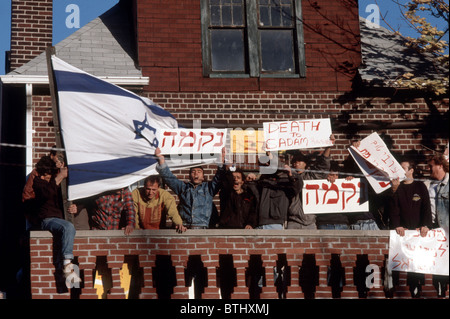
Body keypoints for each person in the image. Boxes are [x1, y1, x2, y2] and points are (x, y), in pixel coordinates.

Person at [32, 155, 81, 287]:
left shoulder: (56, 183)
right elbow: (46, 194)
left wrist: (75, 207)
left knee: (68, 228)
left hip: (60, 219)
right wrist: (59, 177)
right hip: (47, 220)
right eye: (43, 175)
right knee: (68, 228)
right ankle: (68, 265)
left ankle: (68, 273)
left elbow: (71, 195)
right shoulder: (38, 182)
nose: (44, 177)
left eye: (47, 175)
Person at [155, 147, 226, 229]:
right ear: (189, 176)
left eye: (199, 172)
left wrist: (221, 162)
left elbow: (219, 178)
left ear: (203, 177)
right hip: (185, 227)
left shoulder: (209, 188)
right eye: (193, 171)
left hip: (203, 227)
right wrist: (161, 160)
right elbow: (169, 178)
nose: (196, 173)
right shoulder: (183, 187)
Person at [286, 138, 334, 229]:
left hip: (310, 221)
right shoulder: (288, 177)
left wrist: (328, 147)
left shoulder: (311, 177)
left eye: (300, 161)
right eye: (294, 162)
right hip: (293, 221)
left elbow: (323, 166)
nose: (297, 163)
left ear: (305, 164)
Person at [247, 152, 302, 229]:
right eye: (262, 164)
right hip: (258, 224)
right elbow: (255, 200)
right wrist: (251, 182)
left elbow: (297, 187)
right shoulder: (262, 181)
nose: (264, 165)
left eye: (267, 162)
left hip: (274, 223)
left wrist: (271, 157)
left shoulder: (286, 181)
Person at [389, 159, 432, 237]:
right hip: (402, 232)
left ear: (411, 170)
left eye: (403, 168)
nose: (400, 171)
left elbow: (426, 207)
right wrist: (397, 225)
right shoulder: (397, 186)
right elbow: (394, 208)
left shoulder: (420, 186)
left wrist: (425, 225)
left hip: (419, 231)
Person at [426, 153, 449, 298]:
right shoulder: (429, 185)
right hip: (435, 231)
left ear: (440, 165)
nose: (429, 169)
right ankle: (440, 292)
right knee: (438, 266)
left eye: (431, 166)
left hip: (448, 231)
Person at [315, 162, 350, 230]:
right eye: (331, 175)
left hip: (342, 223)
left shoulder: (344, 185)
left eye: (336, 175)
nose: (334, 177)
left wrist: (351, 181)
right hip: (324, 224)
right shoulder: (320, 185)